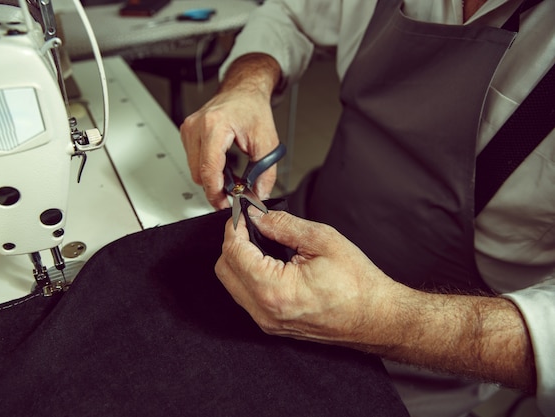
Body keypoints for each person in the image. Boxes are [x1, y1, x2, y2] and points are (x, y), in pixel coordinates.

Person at [179, 1, 555, 416]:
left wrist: (383, 318)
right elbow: (291, 13)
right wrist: (247, 84)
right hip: (298, 235)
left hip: (419, 369)